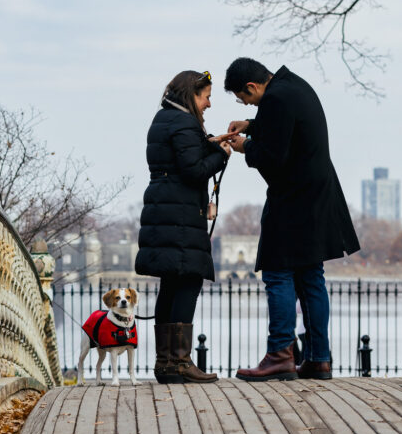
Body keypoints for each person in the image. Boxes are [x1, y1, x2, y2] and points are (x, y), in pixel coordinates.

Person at [224, 58, 359, 381]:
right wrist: (251, 123)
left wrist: (245, 147)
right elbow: (287, 126)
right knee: (311, 275)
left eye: (244, 98)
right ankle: (317, 358)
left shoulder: (276, 98)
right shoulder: (293, 86)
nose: (246, 104)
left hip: (293, 199)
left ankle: (280, 355)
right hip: (317, 196)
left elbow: (273, 154)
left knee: (277, 272)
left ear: (252, 87)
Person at [135, 70, 232, 383]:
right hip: (180, 215)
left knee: (171, 284)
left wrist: (207, 143)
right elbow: (193, 171)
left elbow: (179, 160)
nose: (209, 104)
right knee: (189, 280)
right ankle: (179, 362)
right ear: (192, 95)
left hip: (163, 208)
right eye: (205, 96)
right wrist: (220, 153)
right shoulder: (185, 122)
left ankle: (165, 363)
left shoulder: (163, 119)